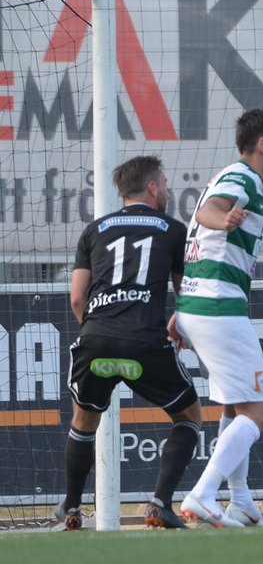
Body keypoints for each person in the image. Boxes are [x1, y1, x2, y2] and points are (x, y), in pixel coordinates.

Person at [57, 155, 201, 531]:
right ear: (152, 187)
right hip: (144, 343)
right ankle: (159, 504)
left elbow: (77, 298)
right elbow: (185, 294)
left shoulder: (94, 230)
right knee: (189, 417)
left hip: (96, 340)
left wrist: (100, 332)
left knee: (83, 421)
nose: (167, 190)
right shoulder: (174, 230)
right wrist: (181, 327)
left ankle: (72, 509)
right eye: (164, 184)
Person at [177, 108, 263, 527]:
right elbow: (208, 211)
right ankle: (202, 493)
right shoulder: (242, 177)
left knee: (234, 404)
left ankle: (240, 499)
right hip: (217, 306)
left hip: (201, 305)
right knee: (260, 413)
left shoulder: (237, 177)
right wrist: (222, 219)